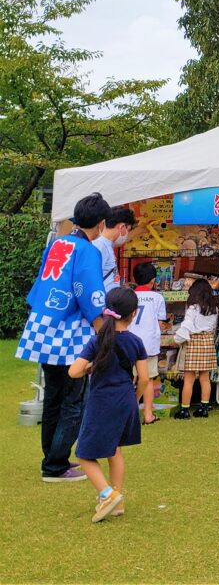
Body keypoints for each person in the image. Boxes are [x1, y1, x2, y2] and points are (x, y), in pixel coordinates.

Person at [16, 192, 110, 483]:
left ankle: (52, 458)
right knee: (74, 400)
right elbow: (90, 293)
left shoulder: (58, 243)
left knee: (53, 397)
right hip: (70, 333)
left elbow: (41, 284)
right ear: (101, 223)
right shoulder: (88, 251)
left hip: (44, 325)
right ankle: (55, 465)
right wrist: (102, 331)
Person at [68, 287, 148, 521]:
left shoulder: (98, 341)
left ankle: (107, 494)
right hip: (126, 399)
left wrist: (89, 367)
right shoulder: (136, 342)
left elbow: (73, 372)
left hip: (102, 402)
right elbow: (144, 379)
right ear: (134, 313)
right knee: (115, 450)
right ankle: (118, 501)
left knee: (83, 454)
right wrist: (135, 398)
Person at [173, 278, 218, 419]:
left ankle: (184, 410)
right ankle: (204, 408)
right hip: (208, 342)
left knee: (189, 379)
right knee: (205, 378)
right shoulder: (213, 309)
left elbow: (187, 326)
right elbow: (214, 327)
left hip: (194, 342)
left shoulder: (192, 308)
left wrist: (178, 338)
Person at [130, 262, 168, 425]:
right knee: (149, 378)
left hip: (130, 342)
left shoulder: (129, 296)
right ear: (153, 280)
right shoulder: (158, 298)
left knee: (130, 377)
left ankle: (128, 412)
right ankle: (148, 414)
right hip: (149, 344)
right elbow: (160, 323)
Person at [92, 205, 137, 292]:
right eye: (128, 230)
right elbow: (92, 277)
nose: (127, 234)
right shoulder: (100, 246)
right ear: (122, 227)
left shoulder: (107, 245)